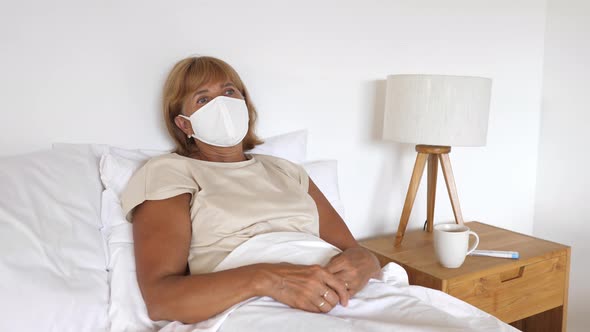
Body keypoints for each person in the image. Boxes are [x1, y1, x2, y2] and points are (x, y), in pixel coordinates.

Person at [121, 56, 381, 324]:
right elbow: (161, 300)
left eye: (229, 92)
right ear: (184, 124)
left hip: (341, 293)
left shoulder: (287, 170)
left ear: (244, 104)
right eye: (203, 99)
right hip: (258, 305)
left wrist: (364, 264)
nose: (222, 104)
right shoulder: (169, 172)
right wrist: (273, 280)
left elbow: (357, 253)